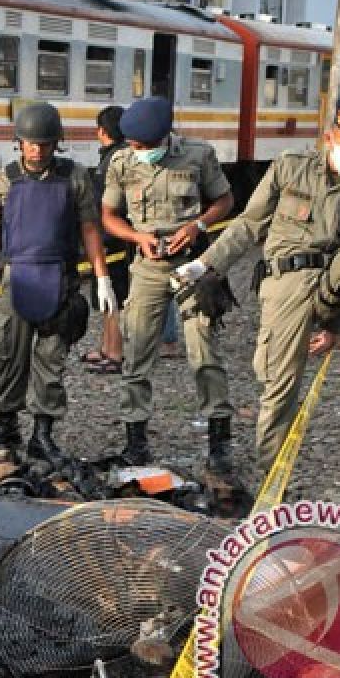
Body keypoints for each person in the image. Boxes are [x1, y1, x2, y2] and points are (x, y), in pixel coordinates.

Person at [175, 94, 340, 476]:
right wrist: (204, 264)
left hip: (333, 286)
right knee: (279, 387)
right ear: (330, 137)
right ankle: (271, 478)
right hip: (287, 284)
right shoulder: (290, 169)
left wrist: (335, 328)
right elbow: (249, 225)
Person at [0, 102, 118, 467]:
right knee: (9, 354)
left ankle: (42, 434)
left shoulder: (75, 177)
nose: (38, 149)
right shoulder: (3, 180)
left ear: (55, 143)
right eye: (31, 143)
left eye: (45, 143)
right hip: (18, 278)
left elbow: (90, 229)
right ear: (19, 142)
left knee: (51, 358)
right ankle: (7, 425)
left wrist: (103, 276)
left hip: (59, 278)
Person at [101, 96, 235, 470]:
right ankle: (136, 441)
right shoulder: (122, 163)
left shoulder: (198, 154)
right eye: (132, 145)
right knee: (137, 352)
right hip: (147, 267)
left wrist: (199, 225)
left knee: (204, 350)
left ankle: (219, 443)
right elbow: (108, 215)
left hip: (193, 267)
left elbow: (224, 199)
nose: (137, 151)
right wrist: (134, 237)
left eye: (144, 146)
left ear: (164, 138)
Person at [80, 105, 130, 375]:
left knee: (114, 296)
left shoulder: (113, 159)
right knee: (107, 293)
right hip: (110, 237)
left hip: (113, 239)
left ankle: (115, 353)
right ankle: (106, 347)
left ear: (101, 131)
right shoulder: (117, 156)